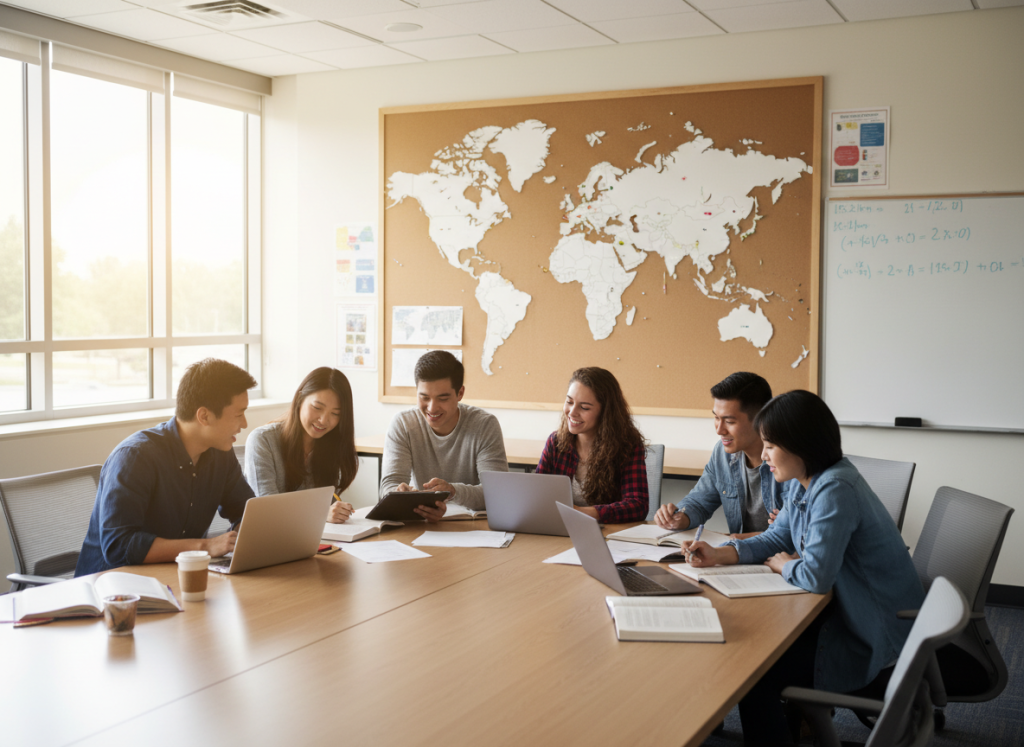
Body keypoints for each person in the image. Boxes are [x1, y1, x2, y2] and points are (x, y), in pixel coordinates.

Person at [686, 390, 924, 747]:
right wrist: (720, 554)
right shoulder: (804, 481)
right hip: (847, 612)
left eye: (770, 445)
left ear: (801, 444)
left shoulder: (834, 489)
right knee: (754, 650)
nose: (763, 455)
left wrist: (786, 566)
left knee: (752, 673)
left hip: (873, 631)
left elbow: (815, 577)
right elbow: (775, 538)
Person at [76, 359, 257, 576]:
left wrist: (244, 533)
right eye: (238, 414)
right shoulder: (135, 457)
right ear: (204, 416)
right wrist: (205, 546)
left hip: (179, 577)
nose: (244, 424)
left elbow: (247, 512)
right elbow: (119, 546)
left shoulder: (220, 454)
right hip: (113, 586)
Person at [379, 351, 508, 522]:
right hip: (424, 524)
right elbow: (388, 486)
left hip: (472, 525)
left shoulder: (484, 425)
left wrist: (452, 492)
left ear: (460, 393)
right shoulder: (404, 424)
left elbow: (497, 493)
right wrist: (398, 495)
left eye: (443, 398)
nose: (432, 408)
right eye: (424, 397)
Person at [654, 371, 785, 539]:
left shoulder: (789, 459)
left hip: (774, 554)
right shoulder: (722, 453)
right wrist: (679, 518)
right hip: (737, 551)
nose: (719, 430)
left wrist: (733, 541)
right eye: (716, 418)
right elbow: (699, 502)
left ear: (760, 419)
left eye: (729, 422)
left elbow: (793, 532)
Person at [244, 367, 359, 523]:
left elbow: (327, 505)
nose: (324, 420)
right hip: (267, 534)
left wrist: (338, 511)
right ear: (300, 399)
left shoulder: (331, 445)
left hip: (312, 535)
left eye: (335, 414)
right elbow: (268, 508)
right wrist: (320, 513)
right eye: (317, 408)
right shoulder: (263, 440)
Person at [535, 367, 648, 523]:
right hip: (559, 528)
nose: (572, 412)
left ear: (606, 412)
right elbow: (537, 493)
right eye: (569, 402)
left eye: (584, 407)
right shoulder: (556, 442)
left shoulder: (627, 445)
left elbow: (638, 505)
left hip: (606, 532)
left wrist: (584, 513)